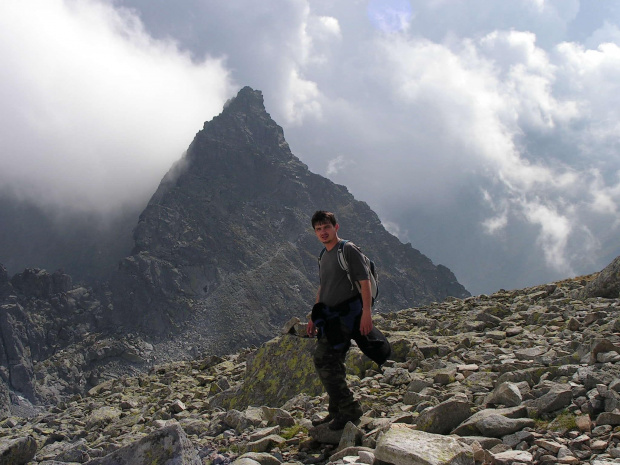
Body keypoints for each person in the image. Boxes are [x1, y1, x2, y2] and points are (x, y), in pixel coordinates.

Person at [307, 210, 373, 430]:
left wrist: (367, 313)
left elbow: (364, 282)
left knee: (323, 359)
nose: (323, 232)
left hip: (346, 316)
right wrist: (314, 316)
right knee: (333, 363)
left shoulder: (348, 249)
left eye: (326, 227)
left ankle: (349, 409)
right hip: (329, 317)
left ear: (336, 227)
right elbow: (323, 287)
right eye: (318, 229)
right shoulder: (323, 255)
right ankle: (336, 411)